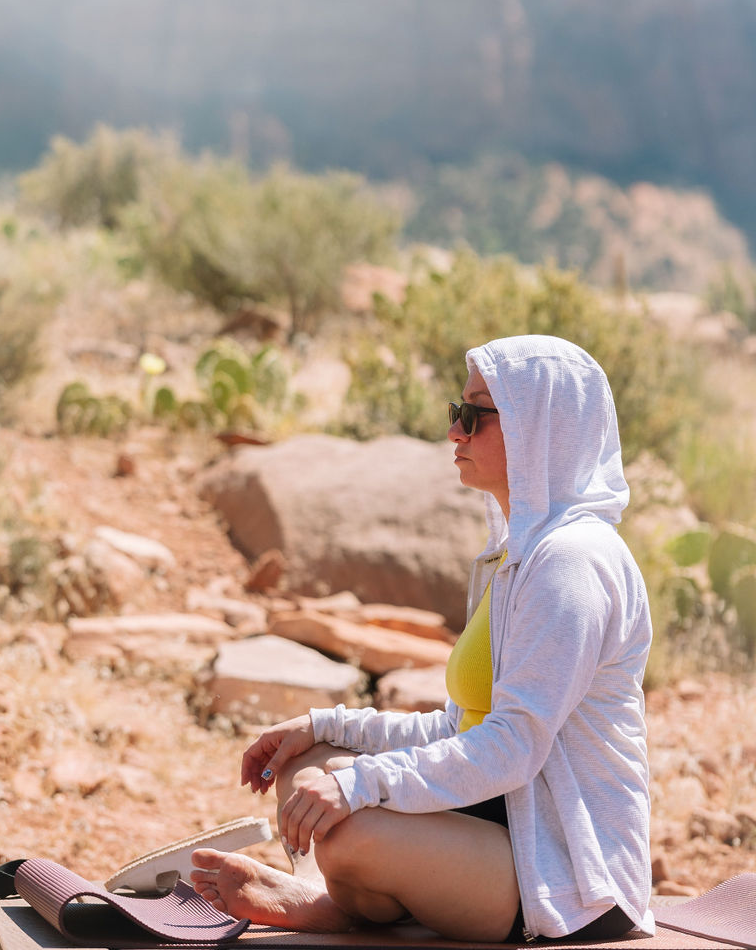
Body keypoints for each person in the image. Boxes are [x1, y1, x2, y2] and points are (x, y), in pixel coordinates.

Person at [191, 334, 653, 944]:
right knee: (303, 764)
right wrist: (326, 727)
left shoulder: (572, 561)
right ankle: (346, 903)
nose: (455, 433)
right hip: (496, 822)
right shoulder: (515, 557)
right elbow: (461, 730)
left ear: (538, 425)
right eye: (456, 413)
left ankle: (336, 900)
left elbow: (512, 748)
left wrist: (361, 784)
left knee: (349, 830)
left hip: (562, 874)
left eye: (475, 415)